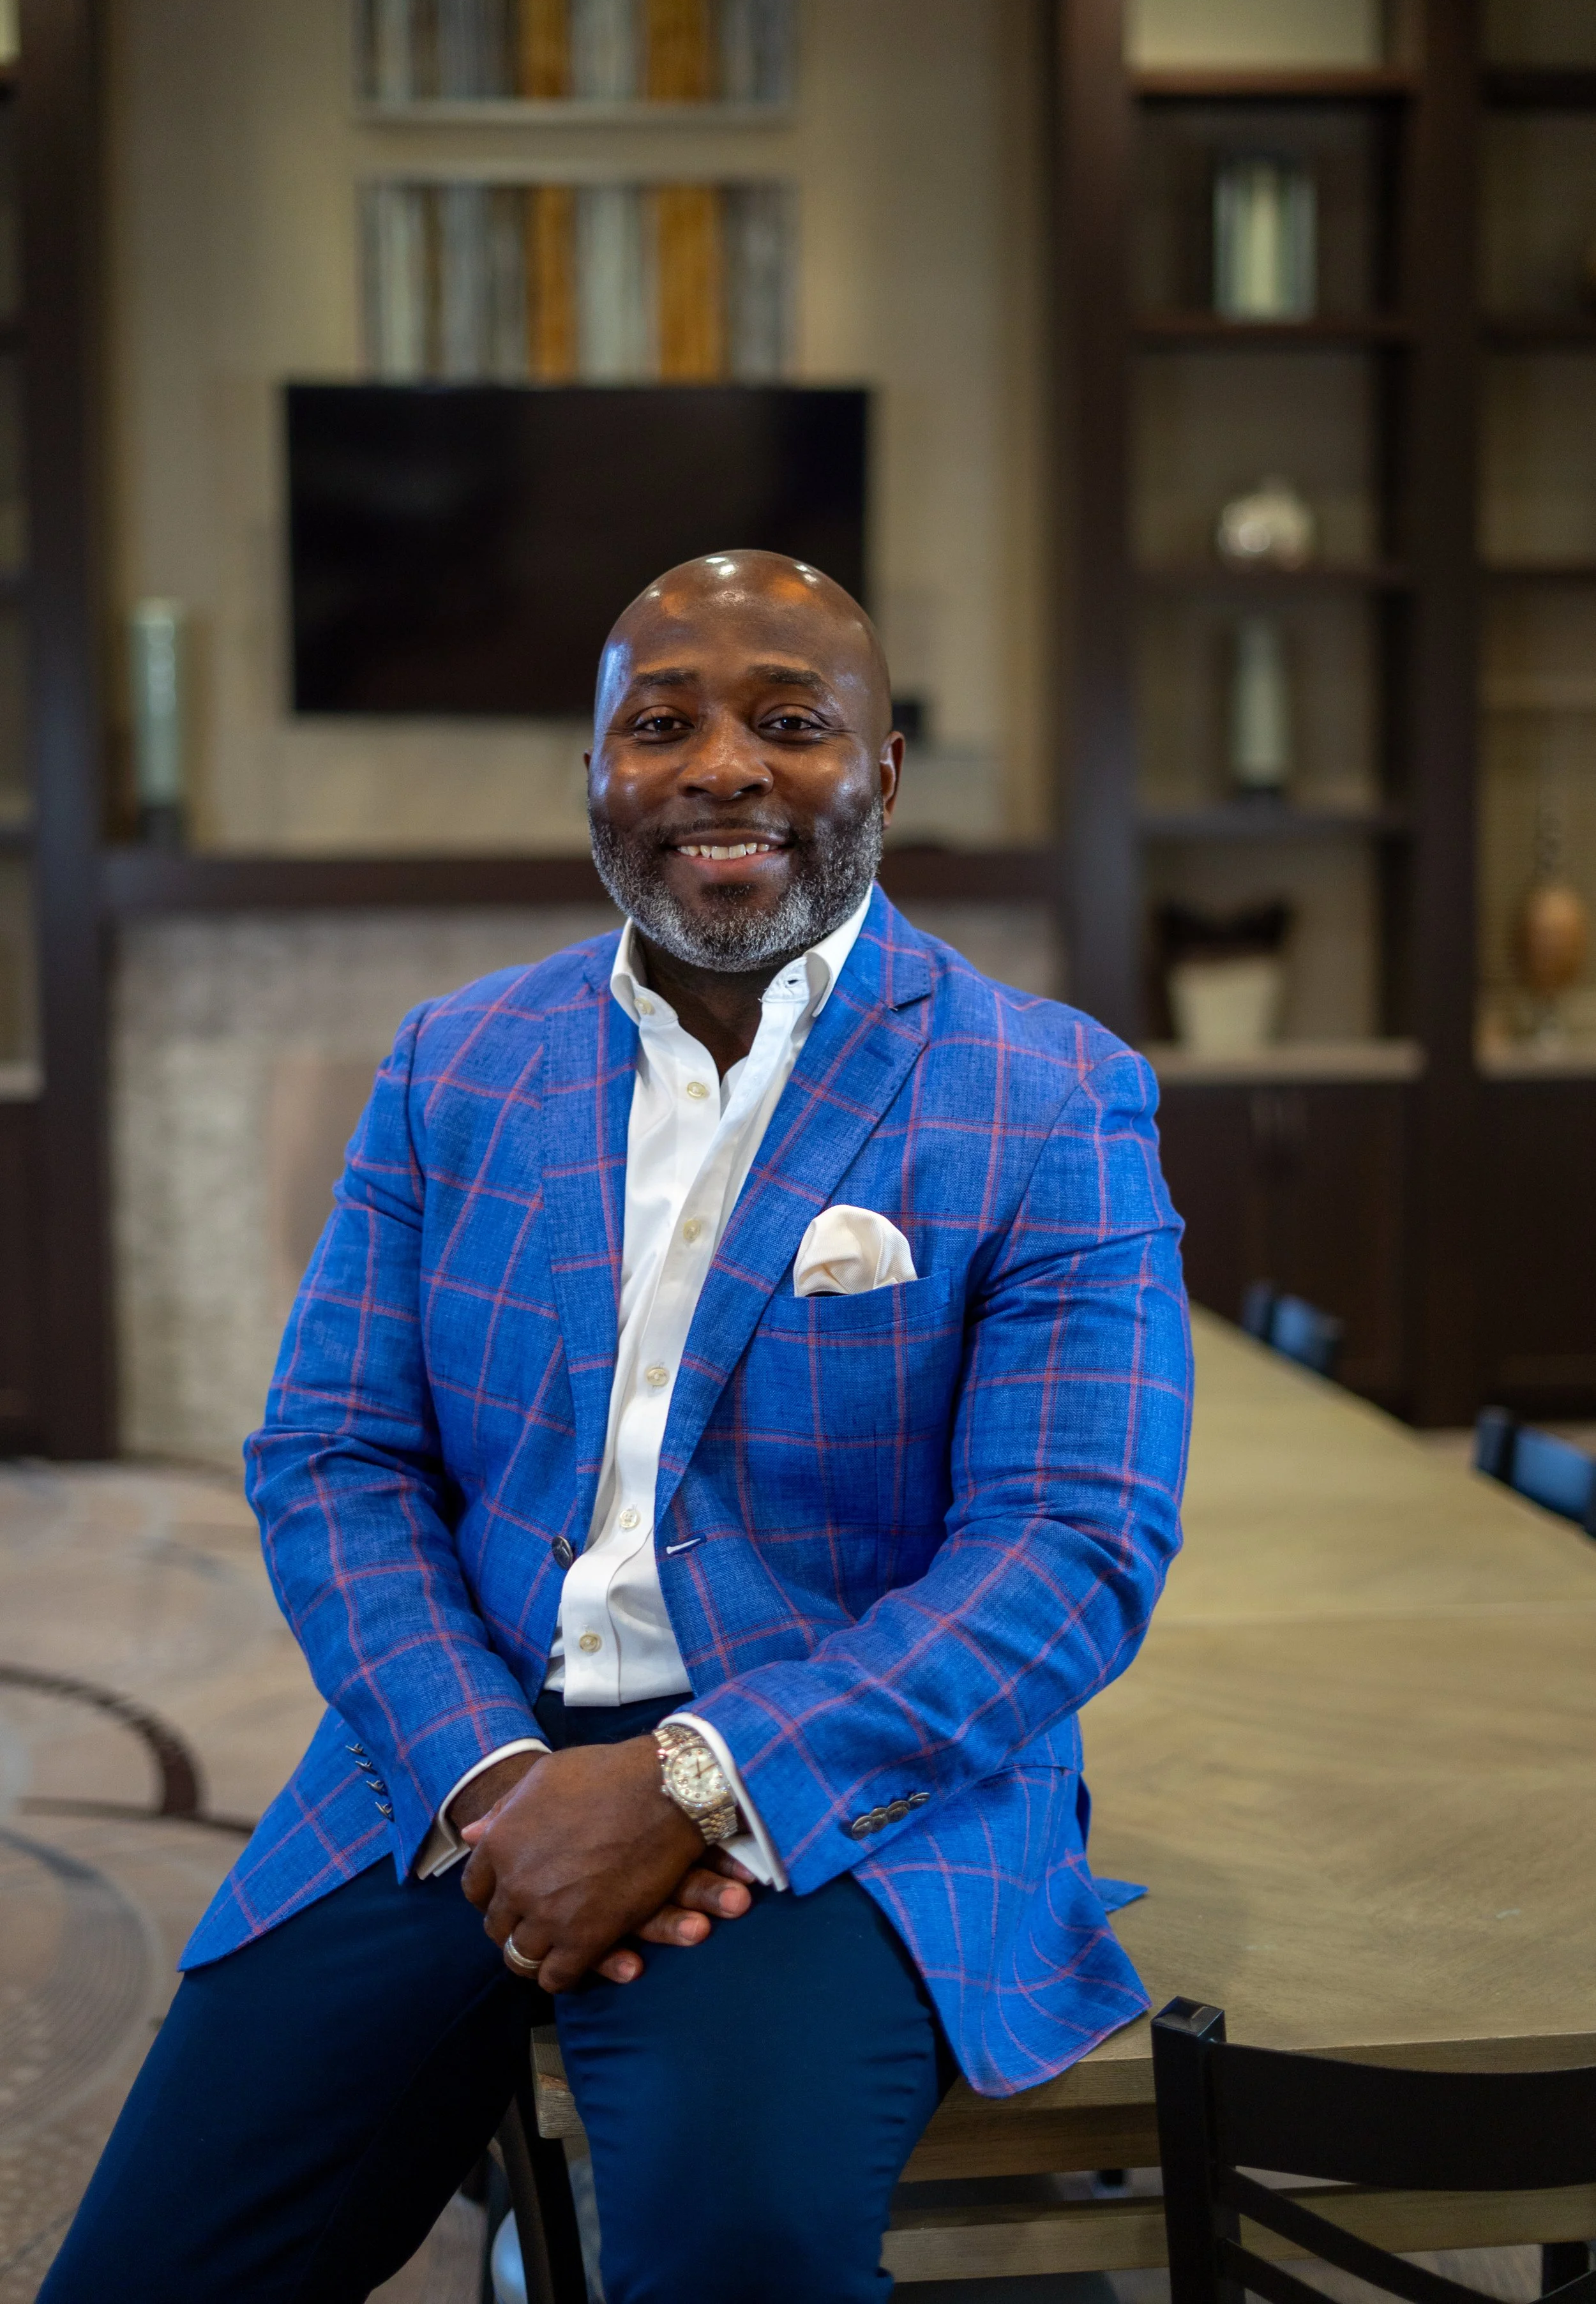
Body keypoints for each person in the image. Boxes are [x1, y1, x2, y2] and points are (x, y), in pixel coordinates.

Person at [41, 550, 1191, 2304]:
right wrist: (502, 1779)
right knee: (145, 2263)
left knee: (738, 2249)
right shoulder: (457, 1063)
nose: (722, 765)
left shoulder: (1046, 1091)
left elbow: (1067, 1548)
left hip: (837, 1789)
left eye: (789, 723)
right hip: (456, 1758)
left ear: (879, 775)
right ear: (596, 775)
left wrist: (688, 1784)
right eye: (660, 723)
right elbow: (335, 1456)